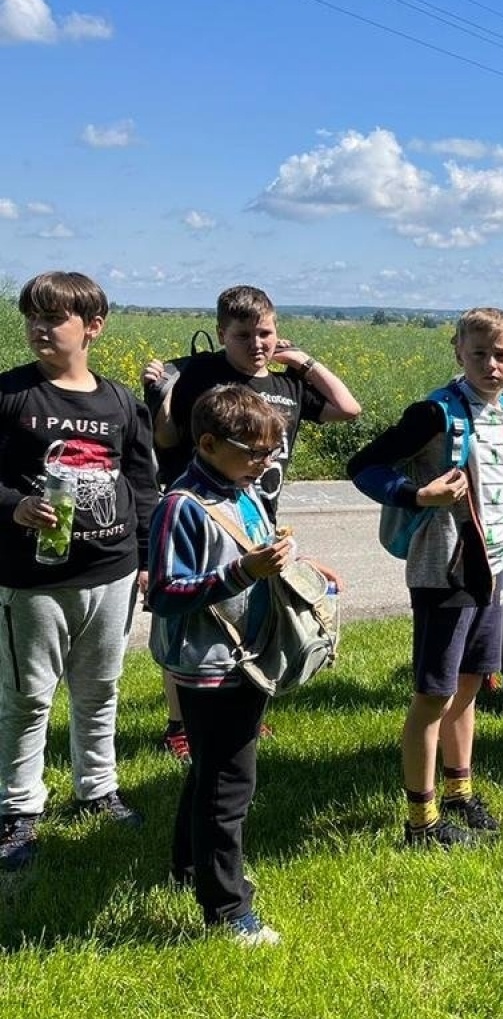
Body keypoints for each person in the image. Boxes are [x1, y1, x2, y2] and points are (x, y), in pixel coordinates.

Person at [146, 385, 339, 945]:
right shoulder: (181, 507)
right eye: (253, 452)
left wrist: (303, 567)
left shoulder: (242, 490)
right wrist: (242, 574)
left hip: (248, 658)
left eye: (271, 453)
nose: (264, 464)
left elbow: (257, 553)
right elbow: (162, 594)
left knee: (211, 772)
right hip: (212, 668)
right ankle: (228, 910)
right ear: (207, 443)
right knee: (229, 788)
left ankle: (188, 867)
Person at [144, 285, 362, 762]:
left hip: (258, 510)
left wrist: (303, 362)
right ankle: (182, 722)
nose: (256, 344)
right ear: (222, 335)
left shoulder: (287, 384)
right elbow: (166, 435)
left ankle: (243, 706)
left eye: (265, 333)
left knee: (251, 614)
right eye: (243, 335)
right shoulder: (203, 375)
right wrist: (158, 388)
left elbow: (349, 409)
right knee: (199, 620)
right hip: (205, 512)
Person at [348, 308, 503, 848]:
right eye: (478, 353)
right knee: (433, 694)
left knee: (472, 683)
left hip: (493, 569)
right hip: (443, 573)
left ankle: (459, 791)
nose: (490, 364)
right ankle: (421, 821)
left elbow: (495, 484)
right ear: (458, 352)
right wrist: (417, 494)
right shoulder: (434, 413)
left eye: (501, 355)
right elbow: (364, 466)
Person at [0, 272, 158, 874]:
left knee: (100, 691)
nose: (40, 328)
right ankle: (18, 810)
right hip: (31, 578)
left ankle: (98, 790)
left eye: (54, 318)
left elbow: (141, 486)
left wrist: (145, 559)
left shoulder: (119, 402)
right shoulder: (11, 395)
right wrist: (12, 507)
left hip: (111, 573)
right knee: (27, 697)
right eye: (32, 317)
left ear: (92, 327)